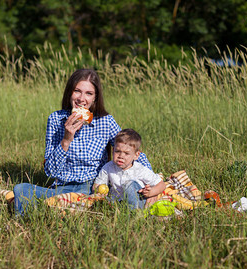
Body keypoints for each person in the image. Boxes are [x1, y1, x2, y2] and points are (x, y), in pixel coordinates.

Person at [12, 69, 152, 216]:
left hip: (92, 187)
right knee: (21, 189)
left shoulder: (105, 121)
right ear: (69, 93)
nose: (81, 99)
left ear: (95, 98)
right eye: (77, 91)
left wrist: (150, 183)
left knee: (121, 191)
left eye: (88, 93)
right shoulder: (55, 119)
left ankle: (67, 207)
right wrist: (66, 139)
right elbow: (50, 171)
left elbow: (128, 147)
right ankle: (30, 220)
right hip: (62, 187)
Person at [93, 129, 166, 209]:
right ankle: (116, 210)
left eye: (126, 153)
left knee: (129, 185)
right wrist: (99, 190)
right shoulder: (108, 167)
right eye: (117, 151)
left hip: (138, 200)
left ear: (136, 155)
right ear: (113, 150)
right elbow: (97, 185)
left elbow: (161, 185)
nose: (121, 156)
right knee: (99, 201)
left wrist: (151, 192)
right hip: (116, 202)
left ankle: (135, 212)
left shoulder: (140, 169)